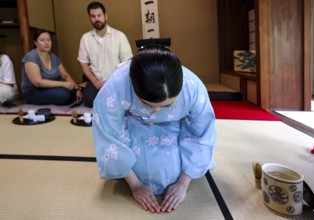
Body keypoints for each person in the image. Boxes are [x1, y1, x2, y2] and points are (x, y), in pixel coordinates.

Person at [92, 40, 217, 213]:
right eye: (147, 103)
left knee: (173, 174)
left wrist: (183, 183)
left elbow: (201, 133)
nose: (157, 110)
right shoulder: (116, 86)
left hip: (174, 126)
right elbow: (109, 133)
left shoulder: (193, 88)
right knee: (143, 174)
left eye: (167, 105)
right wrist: (135, 185)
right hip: (135, 124)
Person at [77, 1, 133, 107]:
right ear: (90, 18)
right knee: (88, 100)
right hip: (96, 82)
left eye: (99, 15)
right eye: (93, 16)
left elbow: (127, 63)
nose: (97, 19)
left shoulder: (119, 36)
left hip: (116, 81)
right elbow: (83, 64)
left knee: (125, 101)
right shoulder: (85, 38)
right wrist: (95, 82)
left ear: (105, 16)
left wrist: (112, 82)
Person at [21, 29, 82, 105]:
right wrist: (63, 84)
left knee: (78, 91)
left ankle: (72, 95)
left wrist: (77, 89)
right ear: (35, 42)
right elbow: (38, 82)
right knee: (64, 95)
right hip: (34, 92)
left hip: (52, 89)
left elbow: (65, 75)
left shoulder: (53, 56)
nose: (46, 43)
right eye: (42, 40)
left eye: (48, 40)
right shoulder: (31, 57)